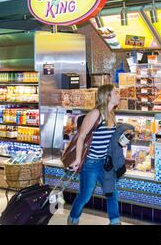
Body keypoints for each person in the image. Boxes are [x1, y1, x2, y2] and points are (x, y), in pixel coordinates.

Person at [67, 84, 121, 225]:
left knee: (112, 194)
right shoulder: (95, 114)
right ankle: (73, 219)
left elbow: (108, 140)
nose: (119, 95)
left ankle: (115, 222)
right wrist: (78, 159)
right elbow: (82, 136)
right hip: (91, 163)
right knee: (85, 196)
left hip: (105, 163)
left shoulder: (112, 115)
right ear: (108, 96)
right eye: (116, 92)